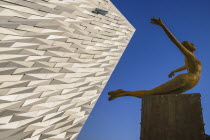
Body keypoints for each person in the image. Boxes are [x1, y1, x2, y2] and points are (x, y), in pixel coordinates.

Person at [108, 18, 202, 101]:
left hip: (192, 83)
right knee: (150, 93)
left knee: (160, 97)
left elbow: (186, 66)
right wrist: (162, 26)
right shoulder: (188, 55)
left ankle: (122, 92)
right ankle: (123, 93)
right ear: (186, 47)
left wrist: (174, 70)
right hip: (186, 79)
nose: (193, 44)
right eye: (190, 43)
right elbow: (175, 41)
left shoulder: (191, 58)